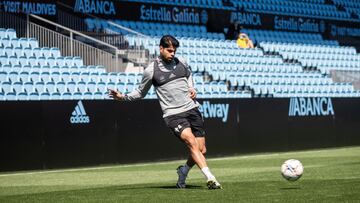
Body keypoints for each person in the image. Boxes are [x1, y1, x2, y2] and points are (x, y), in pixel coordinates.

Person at [108, 35, 222, 190]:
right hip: (173, 114)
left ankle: (184, 171)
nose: (172, 53)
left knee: (202, 150)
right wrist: (122, 97)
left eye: (174, 50)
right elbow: (140, 92)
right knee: (191, 142)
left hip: (191, 108)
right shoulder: (151, 70)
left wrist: (192, 87)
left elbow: (189, 75)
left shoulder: (182, 61)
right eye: (169, 50)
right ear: (160, 48)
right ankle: (210, 178)